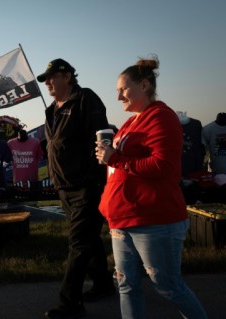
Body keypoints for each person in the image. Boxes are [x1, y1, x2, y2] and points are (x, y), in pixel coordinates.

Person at [95, 56, 208, 319]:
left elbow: (163, 166)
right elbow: (122, 167)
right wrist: (108, 157)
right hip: (122, 219)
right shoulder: (131, 122)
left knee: (169, 287)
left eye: (123, 88)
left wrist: (116, 158)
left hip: (153, 219)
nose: (119, 96)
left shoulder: (160, 117)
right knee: (126, 285)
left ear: (144, 85)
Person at [37, 59, 116, 319]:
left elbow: (100, 139)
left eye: (52, 77)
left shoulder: (85, 99)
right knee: (89, 239)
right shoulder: (52, 110)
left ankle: (70, 303)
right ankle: (104, 285)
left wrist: (93, 178)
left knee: (78, 243)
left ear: (67, 76)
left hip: (86, 185)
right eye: (45, 79)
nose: (48, 82)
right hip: (64, 186)